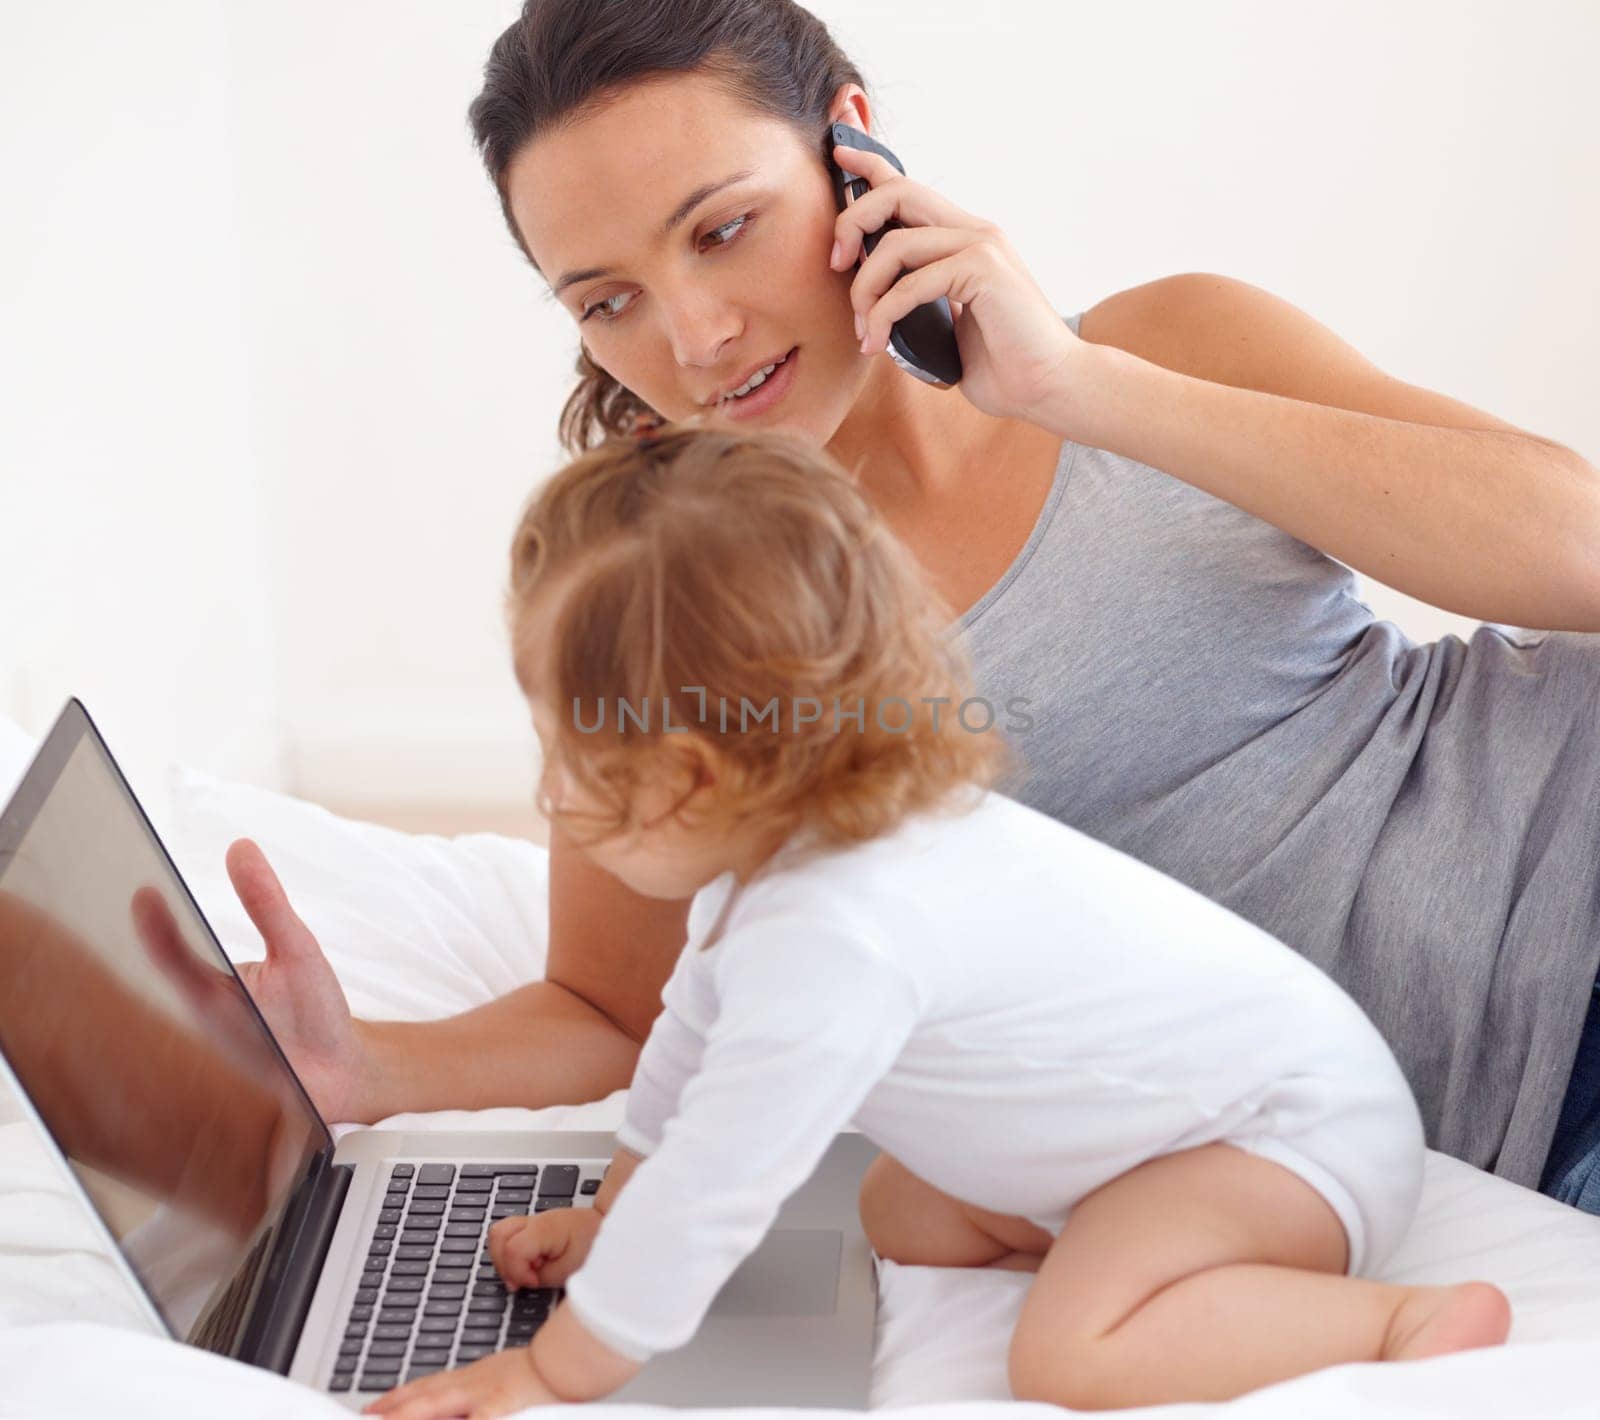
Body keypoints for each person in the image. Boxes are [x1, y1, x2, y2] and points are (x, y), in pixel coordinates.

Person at [228, 0, 1600, 1208]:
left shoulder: (1162, 344)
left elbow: (1575, 550)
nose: (694, 336)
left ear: (852, 147)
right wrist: (373, 1064)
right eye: (608, 300)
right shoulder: (664, 593)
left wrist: (1074, 388)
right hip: (1500, 1117)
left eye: (724, 228)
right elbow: (614, 1002)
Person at [360, 425, 1509, 1420]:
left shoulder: (837, 932)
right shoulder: (783, 869)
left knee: (1069, 1351)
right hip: (1194, 1119)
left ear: (694, 779)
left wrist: (554, 1375)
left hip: (1287, 1140)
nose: (550, 793)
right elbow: (687, 1057)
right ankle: (1104, 1224)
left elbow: (721, 1173)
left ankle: (1397, 1325)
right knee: (896, 1208)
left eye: (571, 753)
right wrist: (615, 1213)